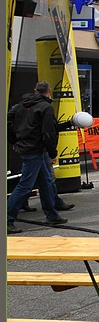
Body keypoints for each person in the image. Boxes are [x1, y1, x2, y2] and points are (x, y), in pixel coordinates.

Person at [7, 81, 70, 232]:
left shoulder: (20, 106)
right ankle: (7, 219)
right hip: (36, 150)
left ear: (35, 90)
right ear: (49, 91)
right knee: (25, 185)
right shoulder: (46, 108)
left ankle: (52, 216)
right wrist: (53, 153)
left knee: (46, 182)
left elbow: (7, 121)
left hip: (28, 148)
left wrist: (14, 141)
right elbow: (48, 133)